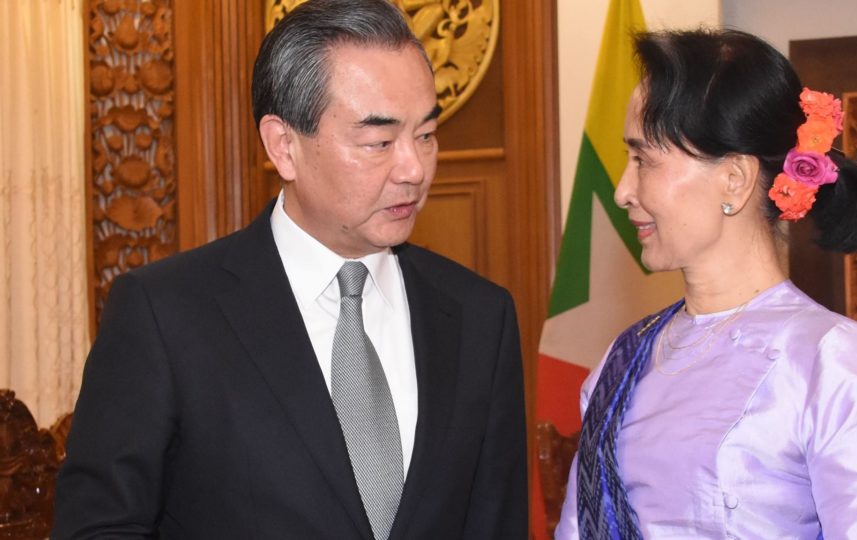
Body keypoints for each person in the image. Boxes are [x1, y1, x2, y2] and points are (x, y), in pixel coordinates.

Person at [52, 1, 527, 538]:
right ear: (284, 146)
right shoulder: (164, 316)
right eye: (379, 142)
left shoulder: (481, 318)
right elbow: (97, 530)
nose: (414, 169)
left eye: (426, 135)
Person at [555, 29, 857, 539]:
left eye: (644, 160)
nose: (621, 191)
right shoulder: (622, 360)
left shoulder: (827, 359)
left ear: (735, 179)